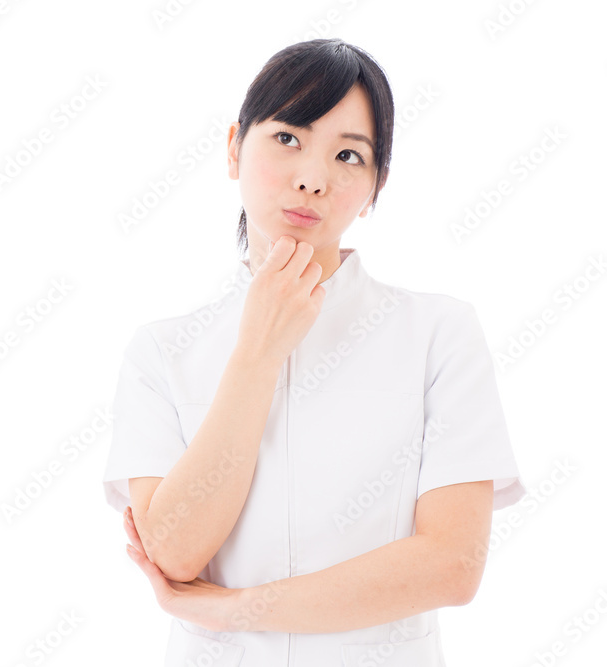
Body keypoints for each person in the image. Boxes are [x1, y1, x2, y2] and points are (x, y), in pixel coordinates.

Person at [101, 38, 526, 666]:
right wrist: (256, 354)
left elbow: (451, 566)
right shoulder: (162, 352)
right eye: (288, 138)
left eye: (349, 155)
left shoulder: (439, 332)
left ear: (377, 185)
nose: (313, 178)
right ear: (231, 148)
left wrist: (234, 609)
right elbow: (172, 552)